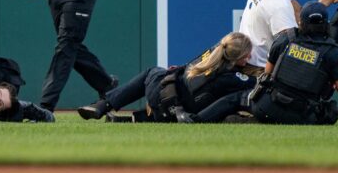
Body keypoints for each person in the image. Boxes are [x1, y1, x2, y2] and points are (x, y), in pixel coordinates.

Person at [186, 1, 338, 125]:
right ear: (326, 24)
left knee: (235, 98)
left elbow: (267, 73)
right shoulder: (333, 51)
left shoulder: (286, 38)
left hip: (267, 106)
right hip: (302, 116)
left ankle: (195, 120)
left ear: (301, 22)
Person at [77, 32, 256, 122]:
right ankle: (130, 118)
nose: (249, 58)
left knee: (152, 72)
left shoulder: (211, 54)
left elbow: (186, 69)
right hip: (173, 111)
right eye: (247, 55)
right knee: (169, 99)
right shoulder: (232, 79)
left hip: (162, 92)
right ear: (238, 57)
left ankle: (103, 105)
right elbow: (256, 84)